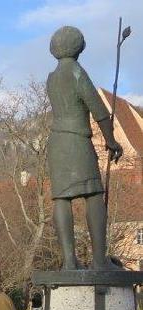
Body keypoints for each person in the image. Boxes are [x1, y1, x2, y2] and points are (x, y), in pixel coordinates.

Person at [46, 25, 123, 270]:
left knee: (62, 198)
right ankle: (100, 261)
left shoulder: (52, 77)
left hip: (56, 142)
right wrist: (111, 140)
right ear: (79, 47)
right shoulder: (77, 72)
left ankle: (69, 262)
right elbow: (98, 109)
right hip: (76, 140)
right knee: (94, 195)